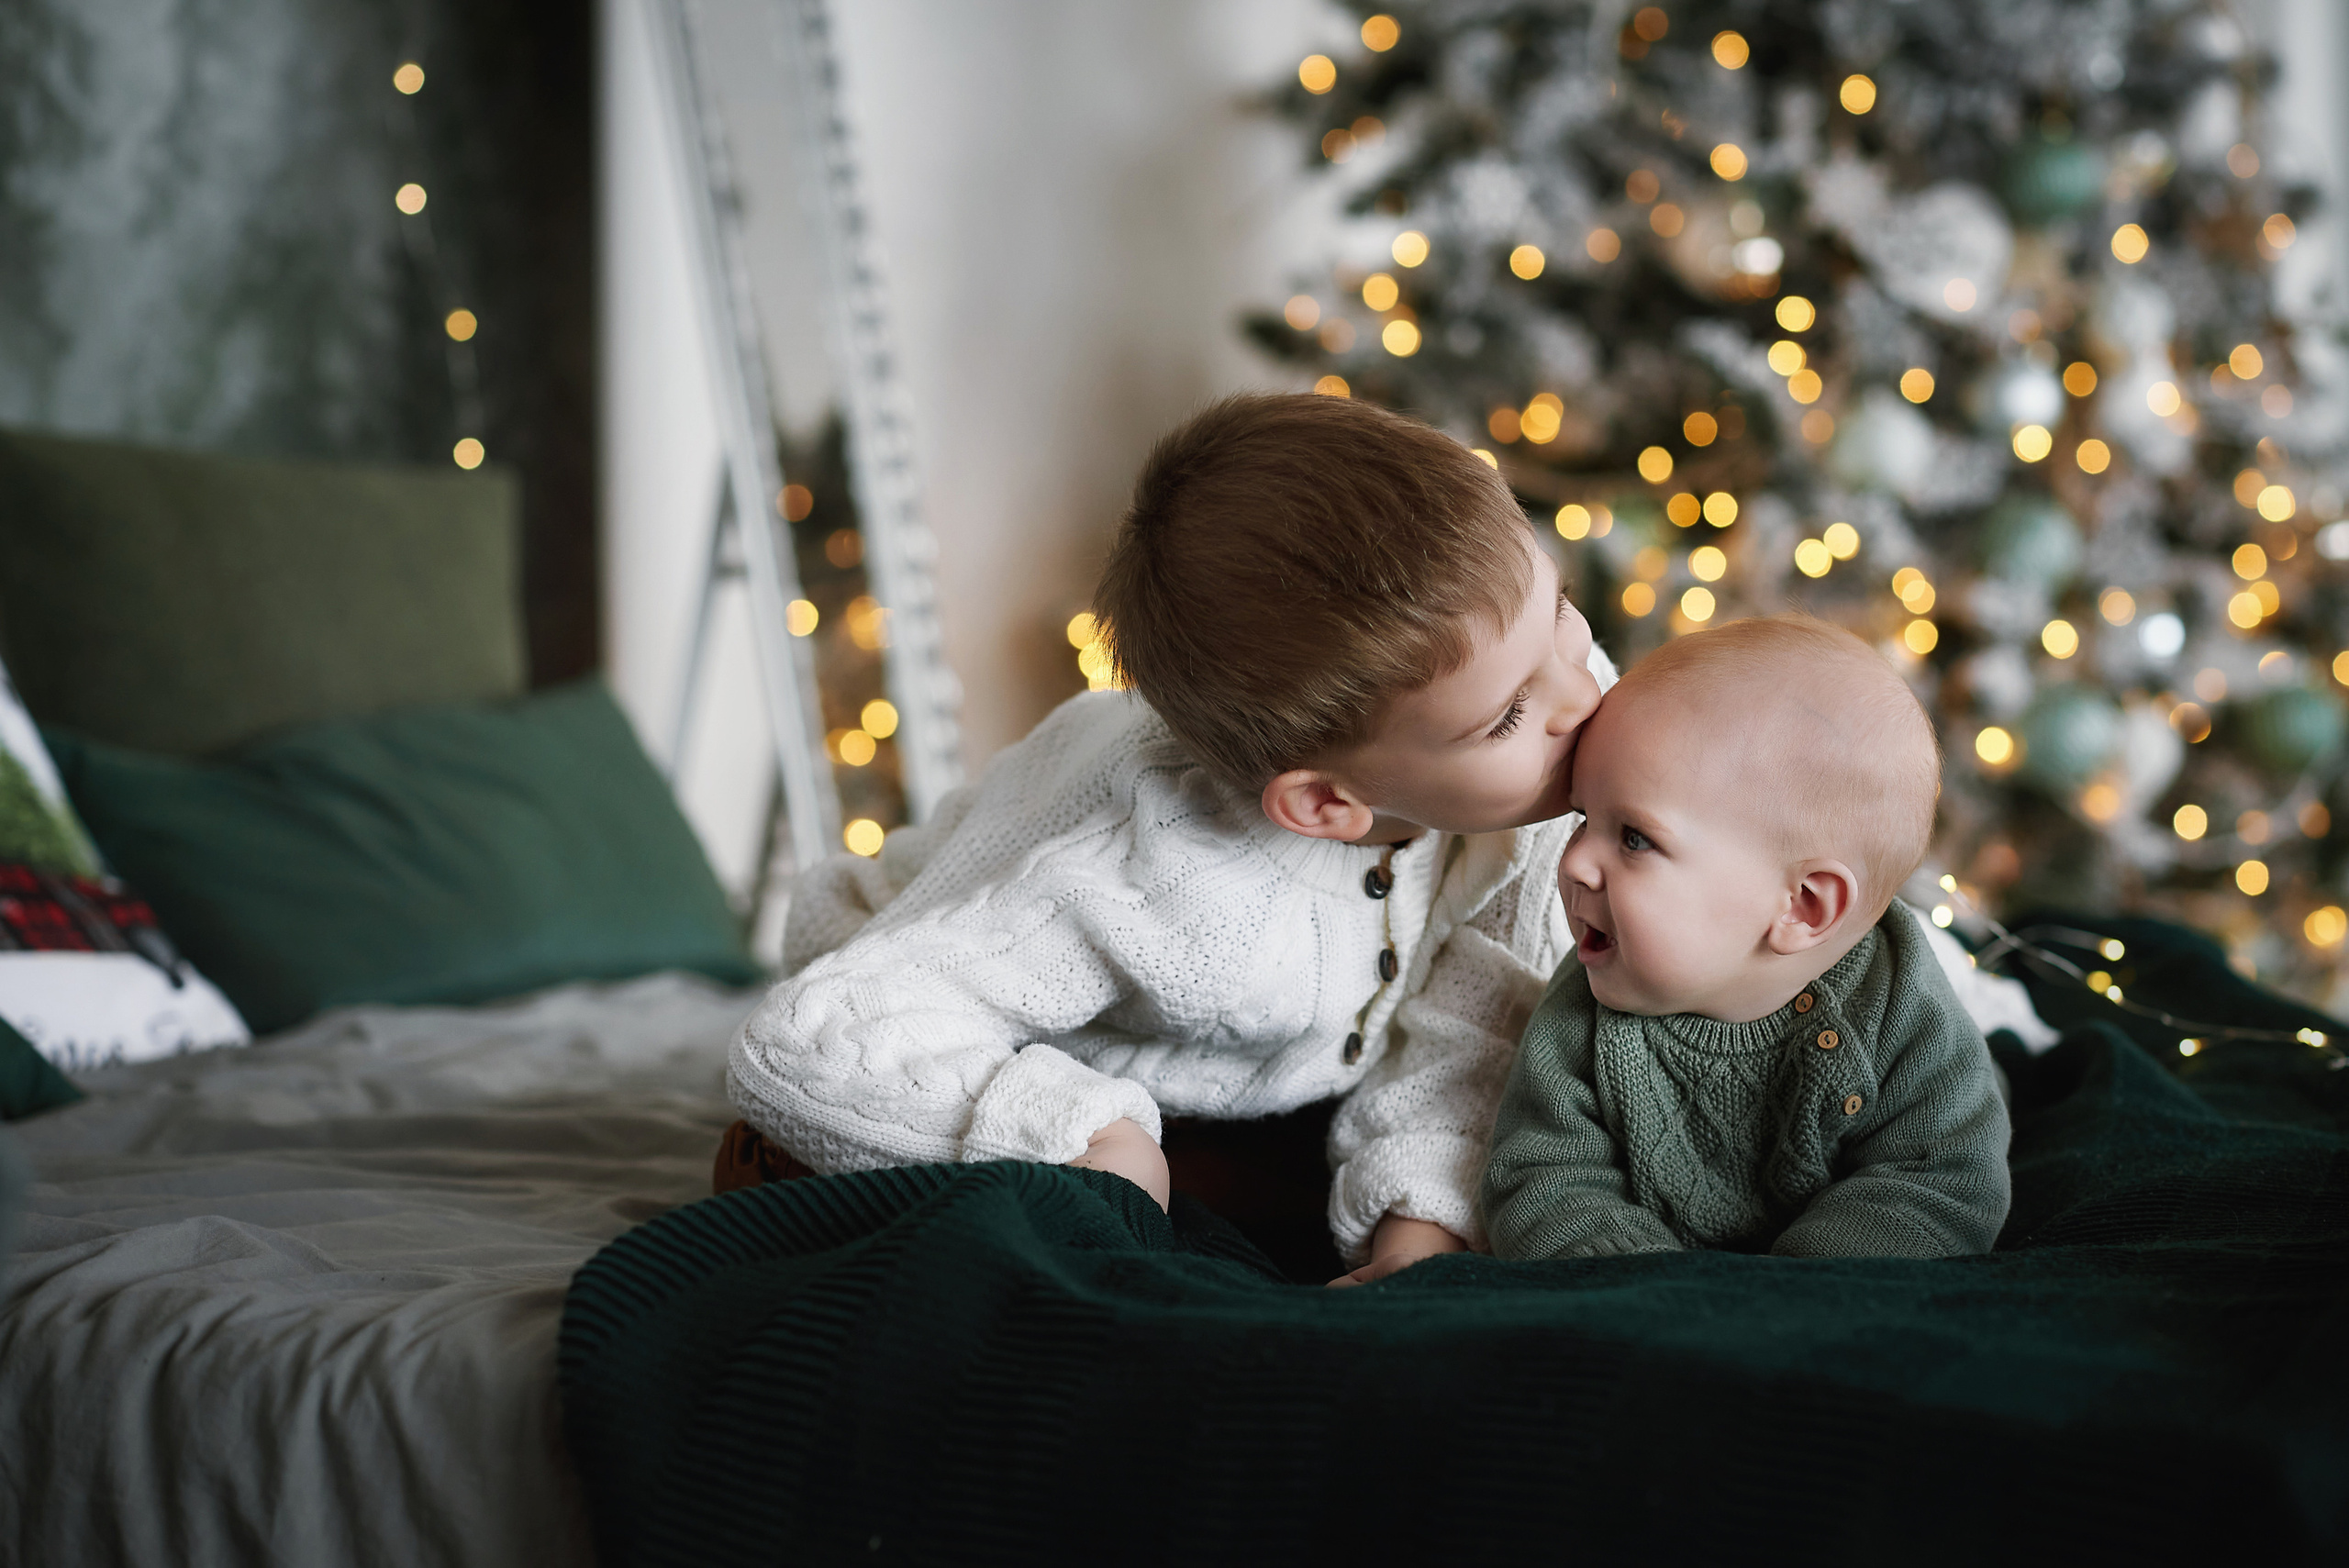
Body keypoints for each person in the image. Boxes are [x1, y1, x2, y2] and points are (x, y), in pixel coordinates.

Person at [724, 391, 1611, 1284]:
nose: (1582, 696)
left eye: (1561, 612)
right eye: (1506, 716)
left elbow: (1477, 1017)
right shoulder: (1148, 872)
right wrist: (1089, 1134)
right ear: (1323, 805)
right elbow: (812, 1032)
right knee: (892, 1207)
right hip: (929, 1002)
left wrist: (1419, 1223)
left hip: (1257, 1081)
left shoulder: (1548, 737)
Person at [1480, 616, 2012, 1262]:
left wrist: (1801, 1290)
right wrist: (1658, 1292)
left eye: (1634, 838)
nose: (1573, 863)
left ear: (1803, 907)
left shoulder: (1900, 1006)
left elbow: (1941, 1178)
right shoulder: (1584, 1013)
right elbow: (1542, 1181)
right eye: (1585, 818)